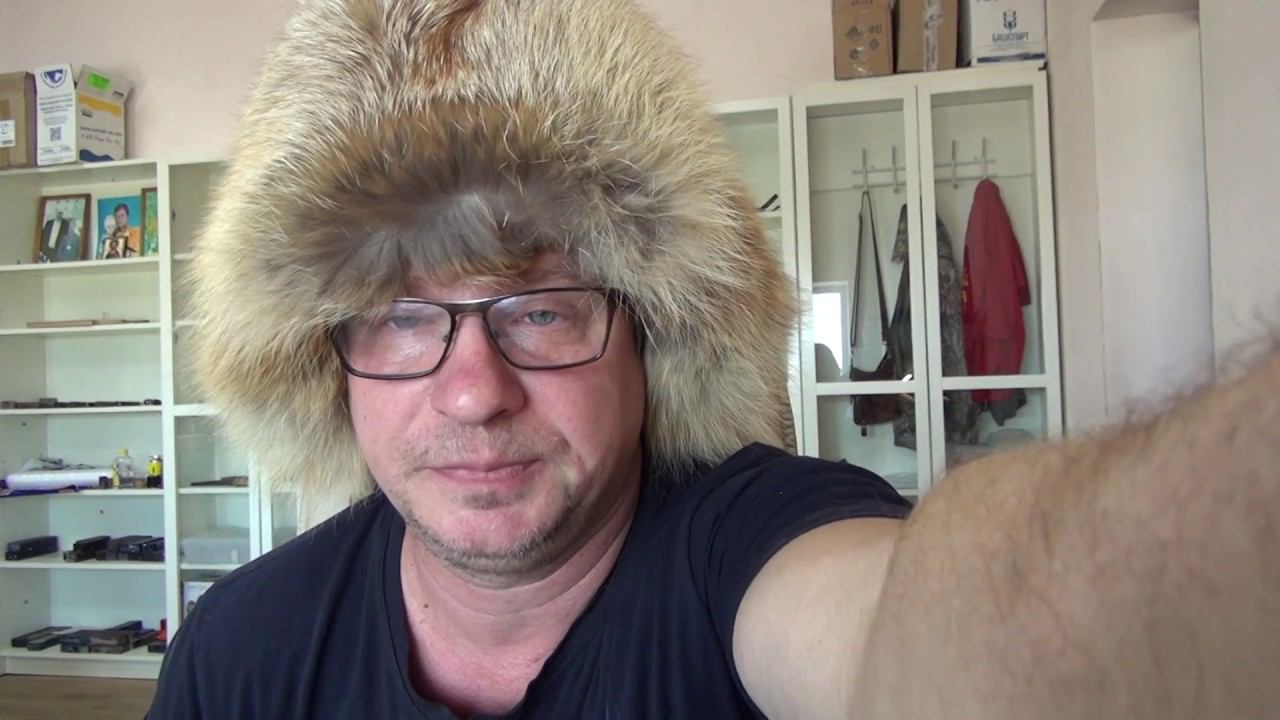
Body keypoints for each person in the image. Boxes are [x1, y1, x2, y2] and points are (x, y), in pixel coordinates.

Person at [149, 1, 1280, 718]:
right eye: (401, 319)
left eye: (543, 310)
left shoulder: (749, 550)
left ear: (656, 337)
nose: (475, 392)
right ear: (327, 365)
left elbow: (937, 634)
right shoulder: (241, 652)